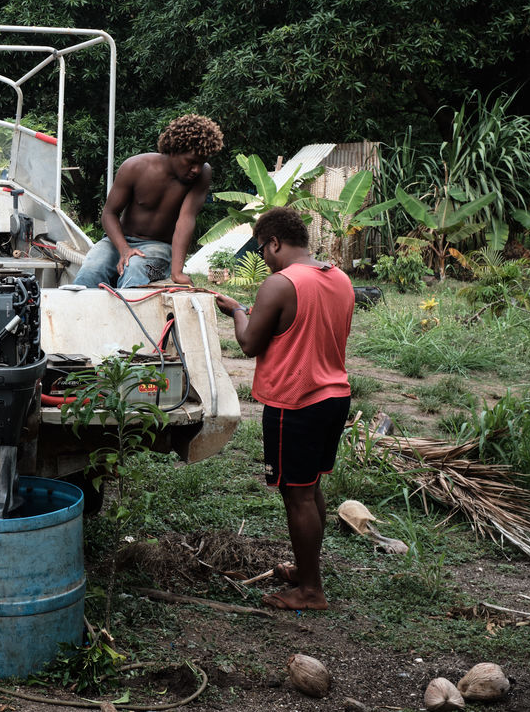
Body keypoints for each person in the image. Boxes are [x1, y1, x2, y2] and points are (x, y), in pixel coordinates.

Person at [214, 207, 355, 611]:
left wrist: (237, 311)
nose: (263, 258)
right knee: (310, 488)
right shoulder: (339, 278)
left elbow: (249, 344)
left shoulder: (280, 284)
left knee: (297, 497)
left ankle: (310, 591)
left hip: (295, 403)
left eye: (262, 250)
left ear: (274, 243)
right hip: (334, 396)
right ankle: (306, 570)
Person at [73, 113, 223, 288]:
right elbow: (109, 214)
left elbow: (186, 219)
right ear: (174, 150)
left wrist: (177, 272)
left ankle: (127, 305)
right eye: (191, 162)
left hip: (158, 247)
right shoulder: (135, 167)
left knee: (135, 269)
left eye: (202, 162)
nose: (196, 169)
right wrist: (124, 249)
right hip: (118, 241)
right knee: (91, 270)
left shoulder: (203, 174)